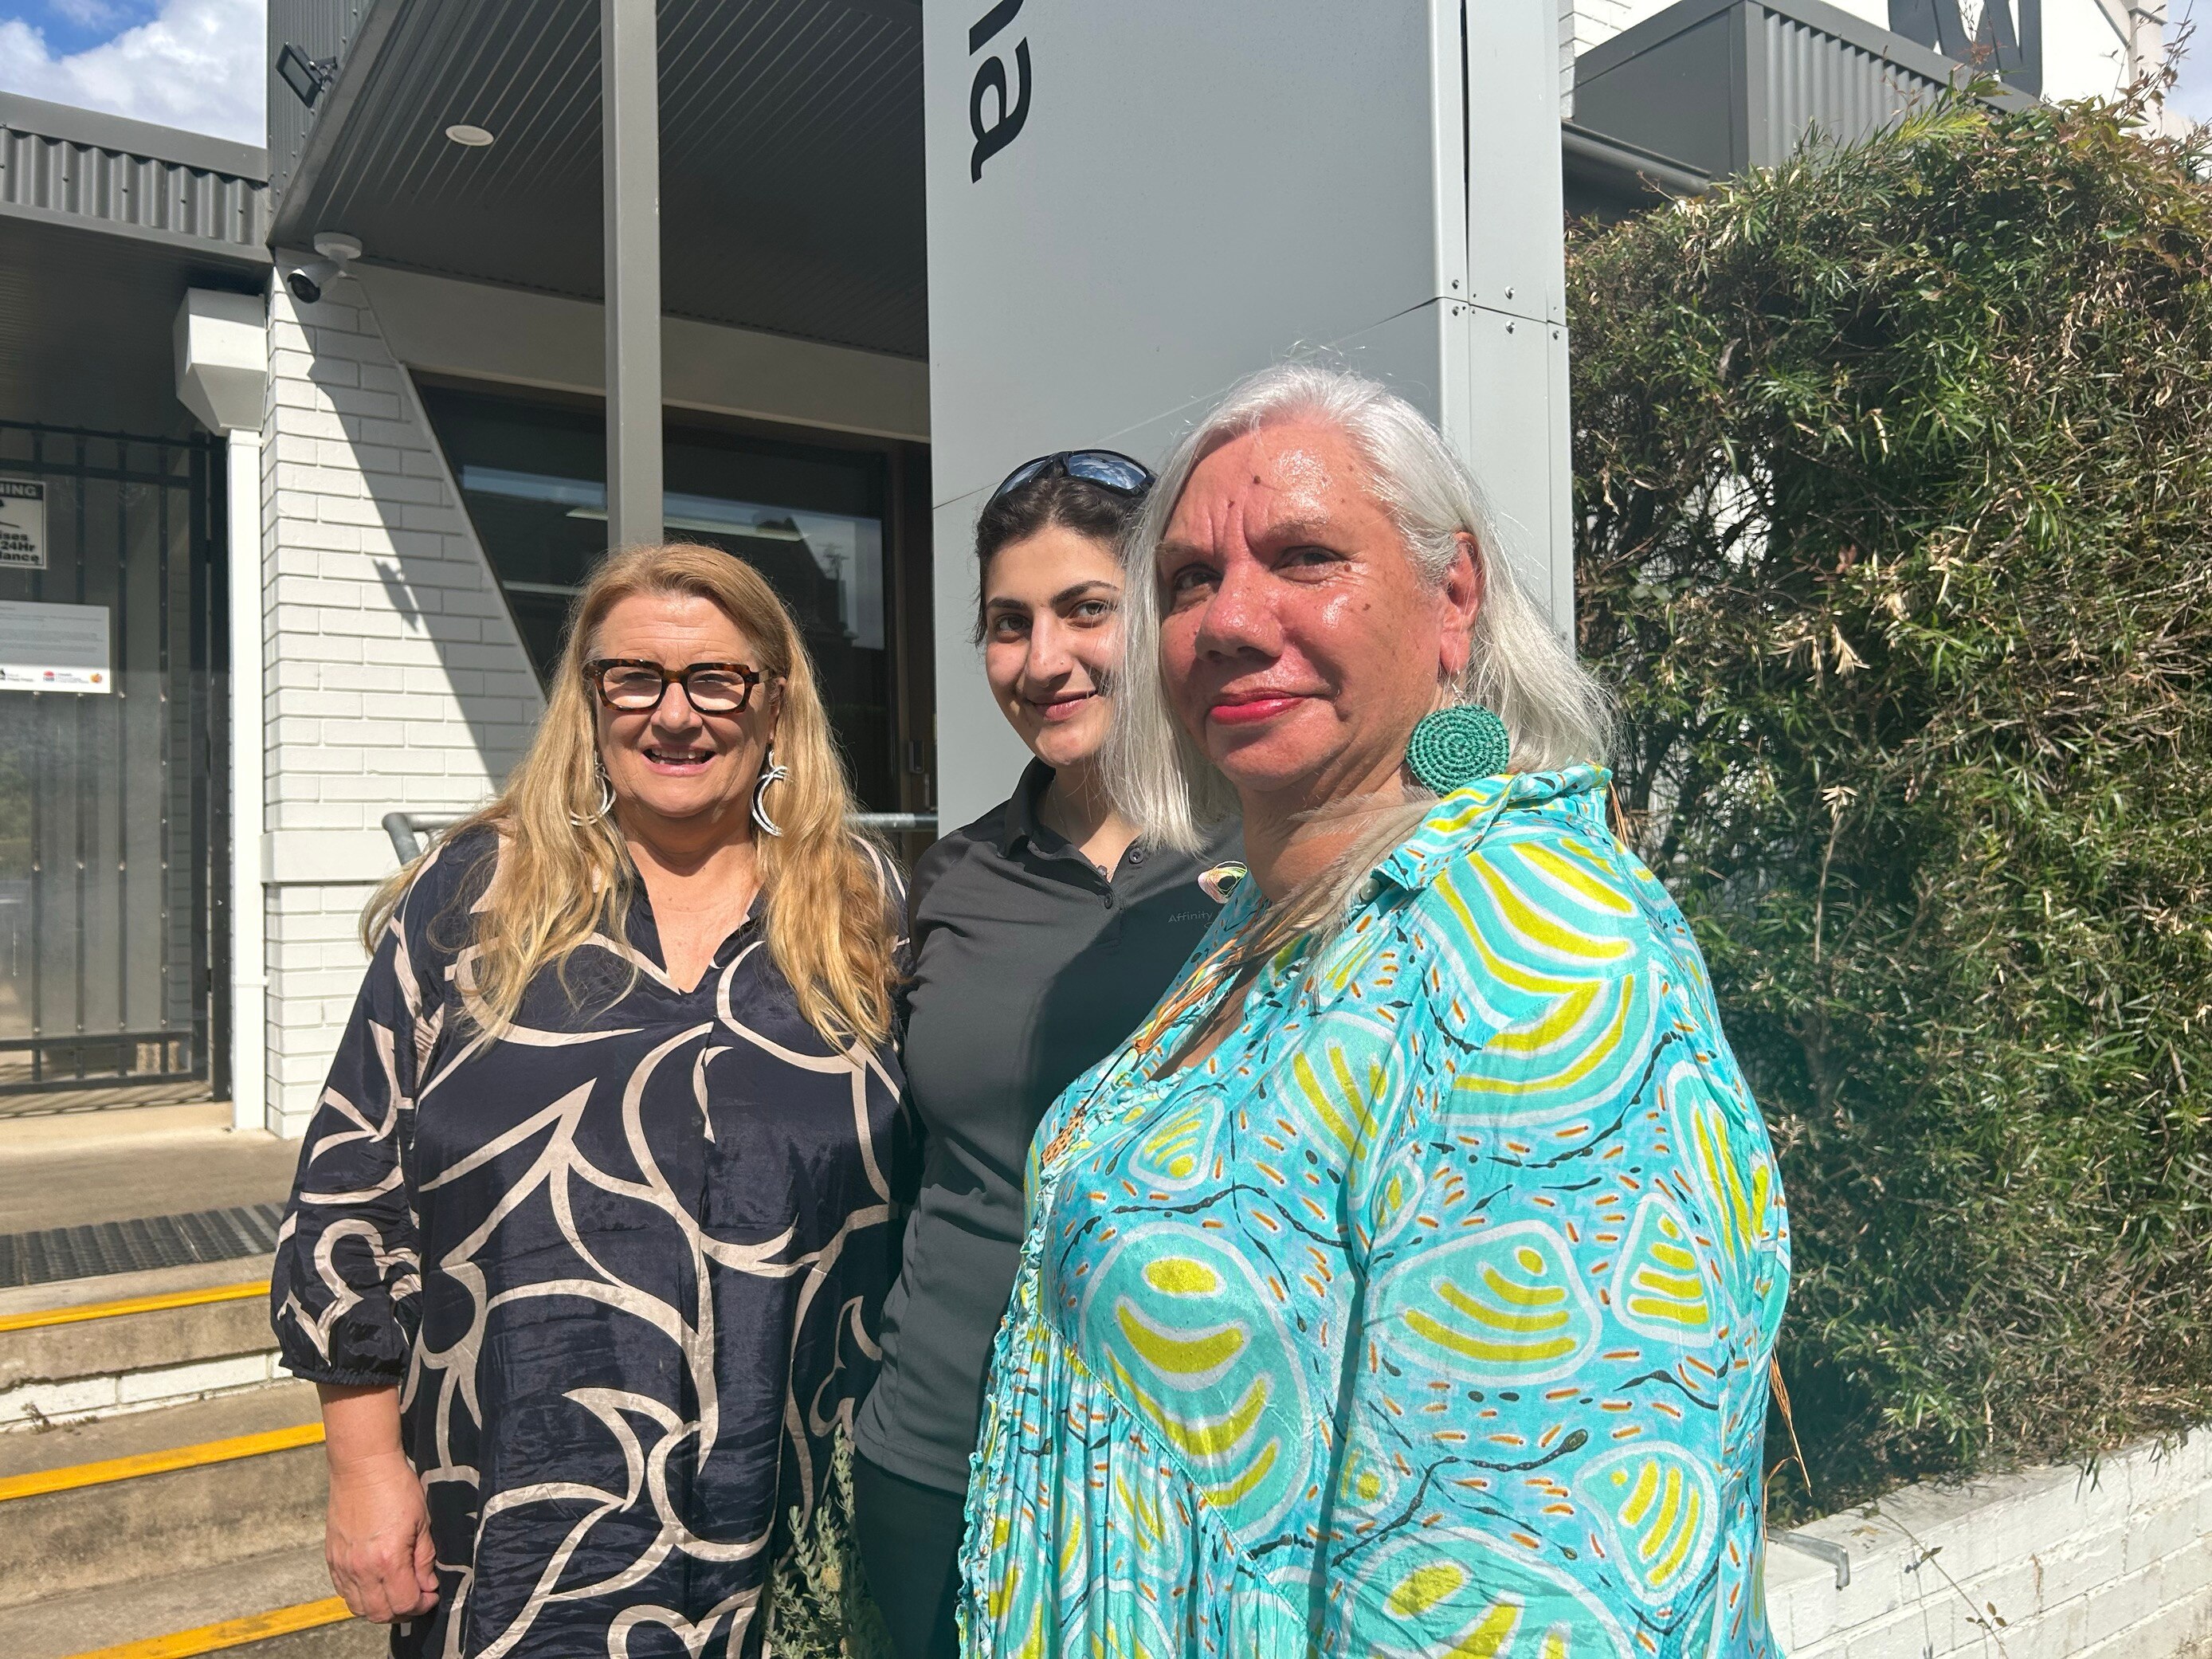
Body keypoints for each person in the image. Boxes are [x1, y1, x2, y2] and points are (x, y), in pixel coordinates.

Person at [958, 367, 1791, 1657]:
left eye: (1303, 556)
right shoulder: (1277, 910)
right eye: (1186, 580)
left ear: (1452, 595)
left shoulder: (1529, 959)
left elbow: (1528, 1599)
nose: (1232, 619)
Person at [270, 543, 905, 1659]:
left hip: (798, 1536)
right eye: (634, 678)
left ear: (774, 702)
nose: (675, 715)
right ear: (590, 697)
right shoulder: (475, 896)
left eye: (716, 678)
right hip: (515, 1540)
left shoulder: (859, 906)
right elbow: (347, 1191)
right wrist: (366, 1468)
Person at [850, 453, 1242, 1659]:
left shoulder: (1270, 859)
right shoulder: (950, 879)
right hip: (933, 1448)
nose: (1042, 660)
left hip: (1191, 1470)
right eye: (1006, 624)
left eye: (1087, 609)